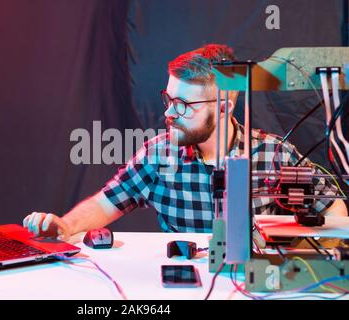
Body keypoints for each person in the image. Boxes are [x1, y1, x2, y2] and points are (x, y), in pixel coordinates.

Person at [23, 44, 348, 241]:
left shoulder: (275, 155)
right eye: (168, 99)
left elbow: (335, 212)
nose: (169, 112)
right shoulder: (158, 155)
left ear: (223, 107)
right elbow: (104, 204)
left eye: (183, 105)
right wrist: (64, 225)